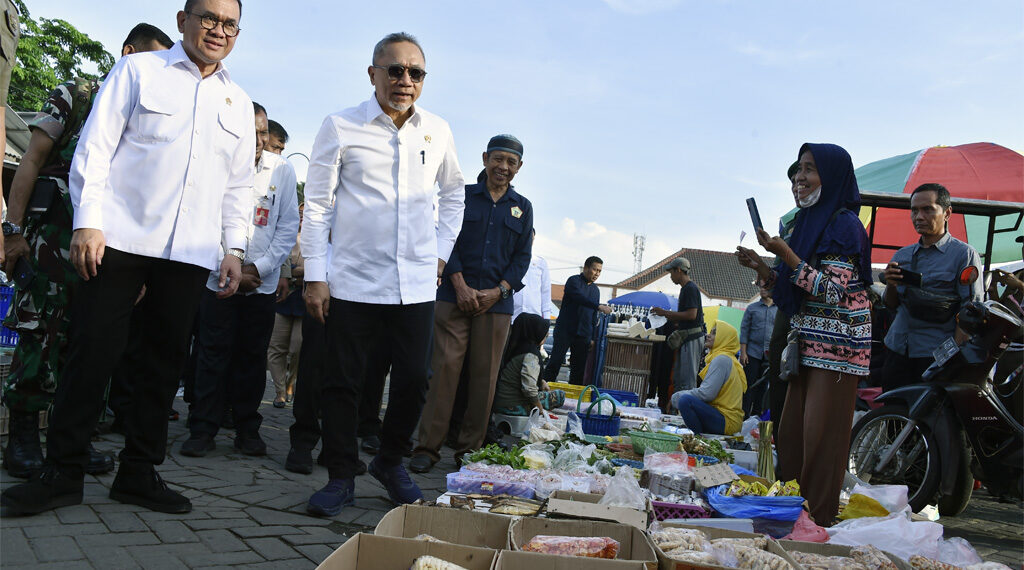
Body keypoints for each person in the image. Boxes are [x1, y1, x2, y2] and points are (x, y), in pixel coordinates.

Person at [1, 0, 255, 516]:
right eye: (208, 17)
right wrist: (88, 222)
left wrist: (234, 249)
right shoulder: (137, 70)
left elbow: (237, 186)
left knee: (162, 368)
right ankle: (62, 473)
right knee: (90, 355)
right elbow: (96, 147)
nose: (217, 30)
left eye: (229, 23)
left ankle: (139, 472)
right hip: (117, 243)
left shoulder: (236, 102)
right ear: (183, 19)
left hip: (188, 254)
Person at [301, 32, 465, 516]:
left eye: (416, 73)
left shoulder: (437, 131)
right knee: (343, 383)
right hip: (352, 279)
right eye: (395, 70)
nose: (405, 81)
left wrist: (439, 253)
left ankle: (390, 461)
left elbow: (454, 194)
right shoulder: (341, 126)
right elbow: (317, 207)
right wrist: (316, 275)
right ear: (372, 73)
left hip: (415, 282)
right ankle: (339, 474)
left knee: (415, 378)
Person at [1, 23, 173, 480]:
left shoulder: (153, 115)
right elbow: (31, 162)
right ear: (128, 53)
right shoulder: (77, 96)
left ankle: (69, 441)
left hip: (109, 252)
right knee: (40, 332)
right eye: (152, 61)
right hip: (52, 243)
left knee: (92, 342)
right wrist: (12, 231)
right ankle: (22, 438)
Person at [736, 142, 872, 526]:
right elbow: (793, 287)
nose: (799, 178)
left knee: (821, 441)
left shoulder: (845, 225)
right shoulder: (804, 224)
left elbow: (833, 291)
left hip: (838, 350)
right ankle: (793, 515)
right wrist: (763, 267)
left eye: (809, 169)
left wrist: (787, 253)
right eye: (797, 171)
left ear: (831, 176)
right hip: (805, 344)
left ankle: (818, 523)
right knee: (792, 438)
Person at [180, 102, 300, 457]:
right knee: (211, 356)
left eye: (263, 132)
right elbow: (202, 219)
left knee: (251, 359)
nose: (259, 139)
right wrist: (226, 266)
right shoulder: (216, 165)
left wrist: (258, 270)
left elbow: (286, 227)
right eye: (252, 131)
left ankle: (248, 430)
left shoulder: (283, 170)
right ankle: (202, 429)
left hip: (258, 286)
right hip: (217, 282)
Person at [411, 134, 534, 473]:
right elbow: (444, 240)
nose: (503, 167)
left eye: (511, 163)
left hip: (496, 306)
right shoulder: (461, 197)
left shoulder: (523, 208)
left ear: (519, 167)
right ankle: (426, 448)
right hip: (453, 297)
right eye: (498, 159)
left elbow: (522, 259)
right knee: (443, 374)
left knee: (485, 379)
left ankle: (469, 451)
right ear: (484, 158)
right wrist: (460, 284)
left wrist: (499, 292)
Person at [880, 183, 983, 391]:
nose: (919, 216)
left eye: (927, 209)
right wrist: (891, 284)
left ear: (947, 213)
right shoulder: (902, 256)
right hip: (897, 347)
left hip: (934, 355)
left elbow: (970, 312)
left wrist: (948, 361)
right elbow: (891, 305)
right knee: (893, 414)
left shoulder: (964, 254)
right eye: (914, 210)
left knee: (931, 420)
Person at [542, 257, 612, 386]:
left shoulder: (596, 290)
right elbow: (579, 298)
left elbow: (592, 316)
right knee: (555, 363)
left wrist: (591, 337)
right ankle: (543, 392)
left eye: (600, 271)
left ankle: (573, 400)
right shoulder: (573, 281)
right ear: (585, 268)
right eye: (595, 269)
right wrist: (598, 306)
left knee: (578, 370)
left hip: (583, 334)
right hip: (565, 330)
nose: (597, 273)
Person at [670, 320, 746, 435]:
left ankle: (699, 440)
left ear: (724, 338)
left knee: (685, 401)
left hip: (727, 421)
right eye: (710, 332)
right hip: (726, 419)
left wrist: (677, 396)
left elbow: (706, 394)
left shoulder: (722, 359)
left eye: (714, 333)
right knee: (685, 400)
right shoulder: (725, 358)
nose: (708, 335)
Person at [493, 313, 567, 415]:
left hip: (501, 402)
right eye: (545, 335)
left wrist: (541, 381)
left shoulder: (516, 348)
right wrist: (540, 410)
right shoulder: (530, 356)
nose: (546, 338)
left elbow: (521, 376)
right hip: (513, 406)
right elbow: (529, 389)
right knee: (559, 396)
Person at [268, 201, 304, 408]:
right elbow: (279, 262)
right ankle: (279, 391)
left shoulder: (315, 238)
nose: (301, 216)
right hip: (280, 297)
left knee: (298, 346)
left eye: (305, 213)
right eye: (299, 213)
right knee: (276, 347)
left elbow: (310, 269)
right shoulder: (284, 235)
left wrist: (289, 272)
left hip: (302, 297)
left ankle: (291, 382)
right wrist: (294, 272)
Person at [651, 257, 705, 392]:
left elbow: (691, 315)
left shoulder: (690, 289)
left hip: (691, 338)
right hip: (687, 338)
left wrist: (665, 313)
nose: (671, 277)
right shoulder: (686, 289)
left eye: (671, 273)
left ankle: (684, 411)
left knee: (687, 380)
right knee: (680, 378)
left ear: (679, 270)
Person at [739, 286, 777, 416]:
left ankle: (757, 418)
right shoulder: (752, 308)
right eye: (761, 287)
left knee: (763, 388)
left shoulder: (778, 309)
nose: (762, 289)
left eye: (766, 287)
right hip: (752, 353)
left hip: (769, 356)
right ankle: (744, 416)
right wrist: (743, 352)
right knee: (749, 386)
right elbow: (744, 331)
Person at [512, 230, 553, 321]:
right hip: (512, 317)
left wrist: (546, 319)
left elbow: (545, 292)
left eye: (531, 238)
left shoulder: (540, 262)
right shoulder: (509, 260)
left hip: (534, 319)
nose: (528, 241)